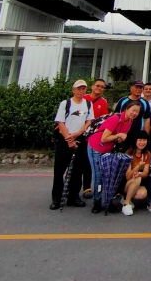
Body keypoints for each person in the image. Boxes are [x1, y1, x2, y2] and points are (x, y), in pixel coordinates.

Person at [86, 100, 140, 213]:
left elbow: (117, 137)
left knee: (109, 176)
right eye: (133, 110)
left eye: (137, 111)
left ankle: (108, 202)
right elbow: (104, 138)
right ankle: (97, 203)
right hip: (96, 147)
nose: (135, 113)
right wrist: (119, 135)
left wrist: (119, 138)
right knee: (98, 177)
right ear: (126, 109)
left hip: (108, 150)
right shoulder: (116, 118)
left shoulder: (130, 121)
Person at [50, 80, 94, 210]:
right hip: (65, 139)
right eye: (78, 88)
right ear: (73, 90)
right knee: (59, 170)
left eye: (83, 88)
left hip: (80, 138)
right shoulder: (66, 103)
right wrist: (69, 139)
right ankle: (56, 199)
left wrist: (79, 133)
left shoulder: (88, 104)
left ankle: (73, 197)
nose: (81, 91)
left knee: (77, 170)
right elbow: (60, 122)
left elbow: (89, 121)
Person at [81, 78, 109, 198]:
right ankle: (73, 188)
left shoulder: (103, 102)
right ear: (92, 86)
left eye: (102, 87)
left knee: (89, 162)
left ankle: (87, 187)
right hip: (79, 133)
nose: (99, 88)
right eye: (98, 86)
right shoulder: (83, 98)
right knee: (78, 162)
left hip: (93, 137)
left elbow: (104, 120)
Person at [121, 131, 151, 216]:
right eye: (140, 140)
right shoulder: (129, 153)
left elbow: (146, 173)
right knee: (137, 178)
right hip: (126, 183)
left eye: (144, 140)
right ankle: (126, 204)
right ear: (135, 141)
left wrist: (139, 174)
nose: (142, 142)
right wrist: (138, 166)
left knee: (142, 194)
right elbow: (128, 176)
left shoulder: (147, 154)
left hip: (138, 183)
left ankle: (126, 199)